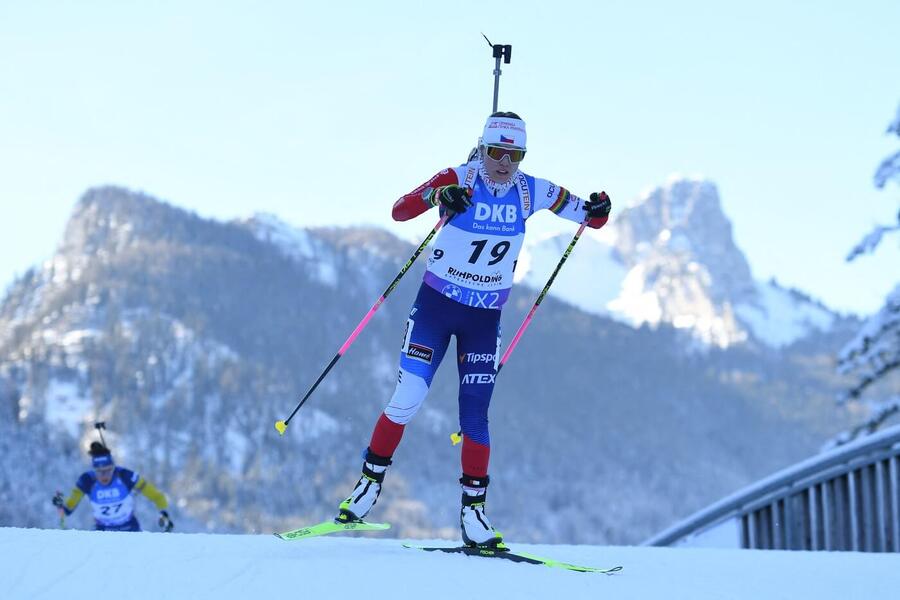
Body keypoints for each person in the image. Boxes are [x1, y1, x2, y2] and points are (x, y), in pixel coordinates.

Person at [335, 111, 612, 547]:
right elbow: (400, 210)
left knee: (475, 418)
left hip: (484, 319)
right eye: (496, 151)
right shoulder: (458, 178)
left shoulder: (531, 190)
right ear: (482, 147)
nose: (504, 162)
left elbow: (589, 217)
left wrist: (600, 208)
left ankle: (474, 516)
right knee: (407, 398)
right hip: (436, 310)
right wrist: (438, 196)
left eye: (514, 154)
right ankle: (368, 484)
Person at [53, 441, 174, 532]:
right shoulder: (87, 480)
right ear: (94, 470)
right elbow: (67, 510)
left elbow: (157, 496)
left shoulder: (126, 476)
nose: (104, 475)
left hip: (129, 528)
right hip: (102, 530)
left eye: (108, 471)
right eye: (99, 471)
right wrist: (60, 506)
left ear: (113, 468)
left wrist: (164, 513)